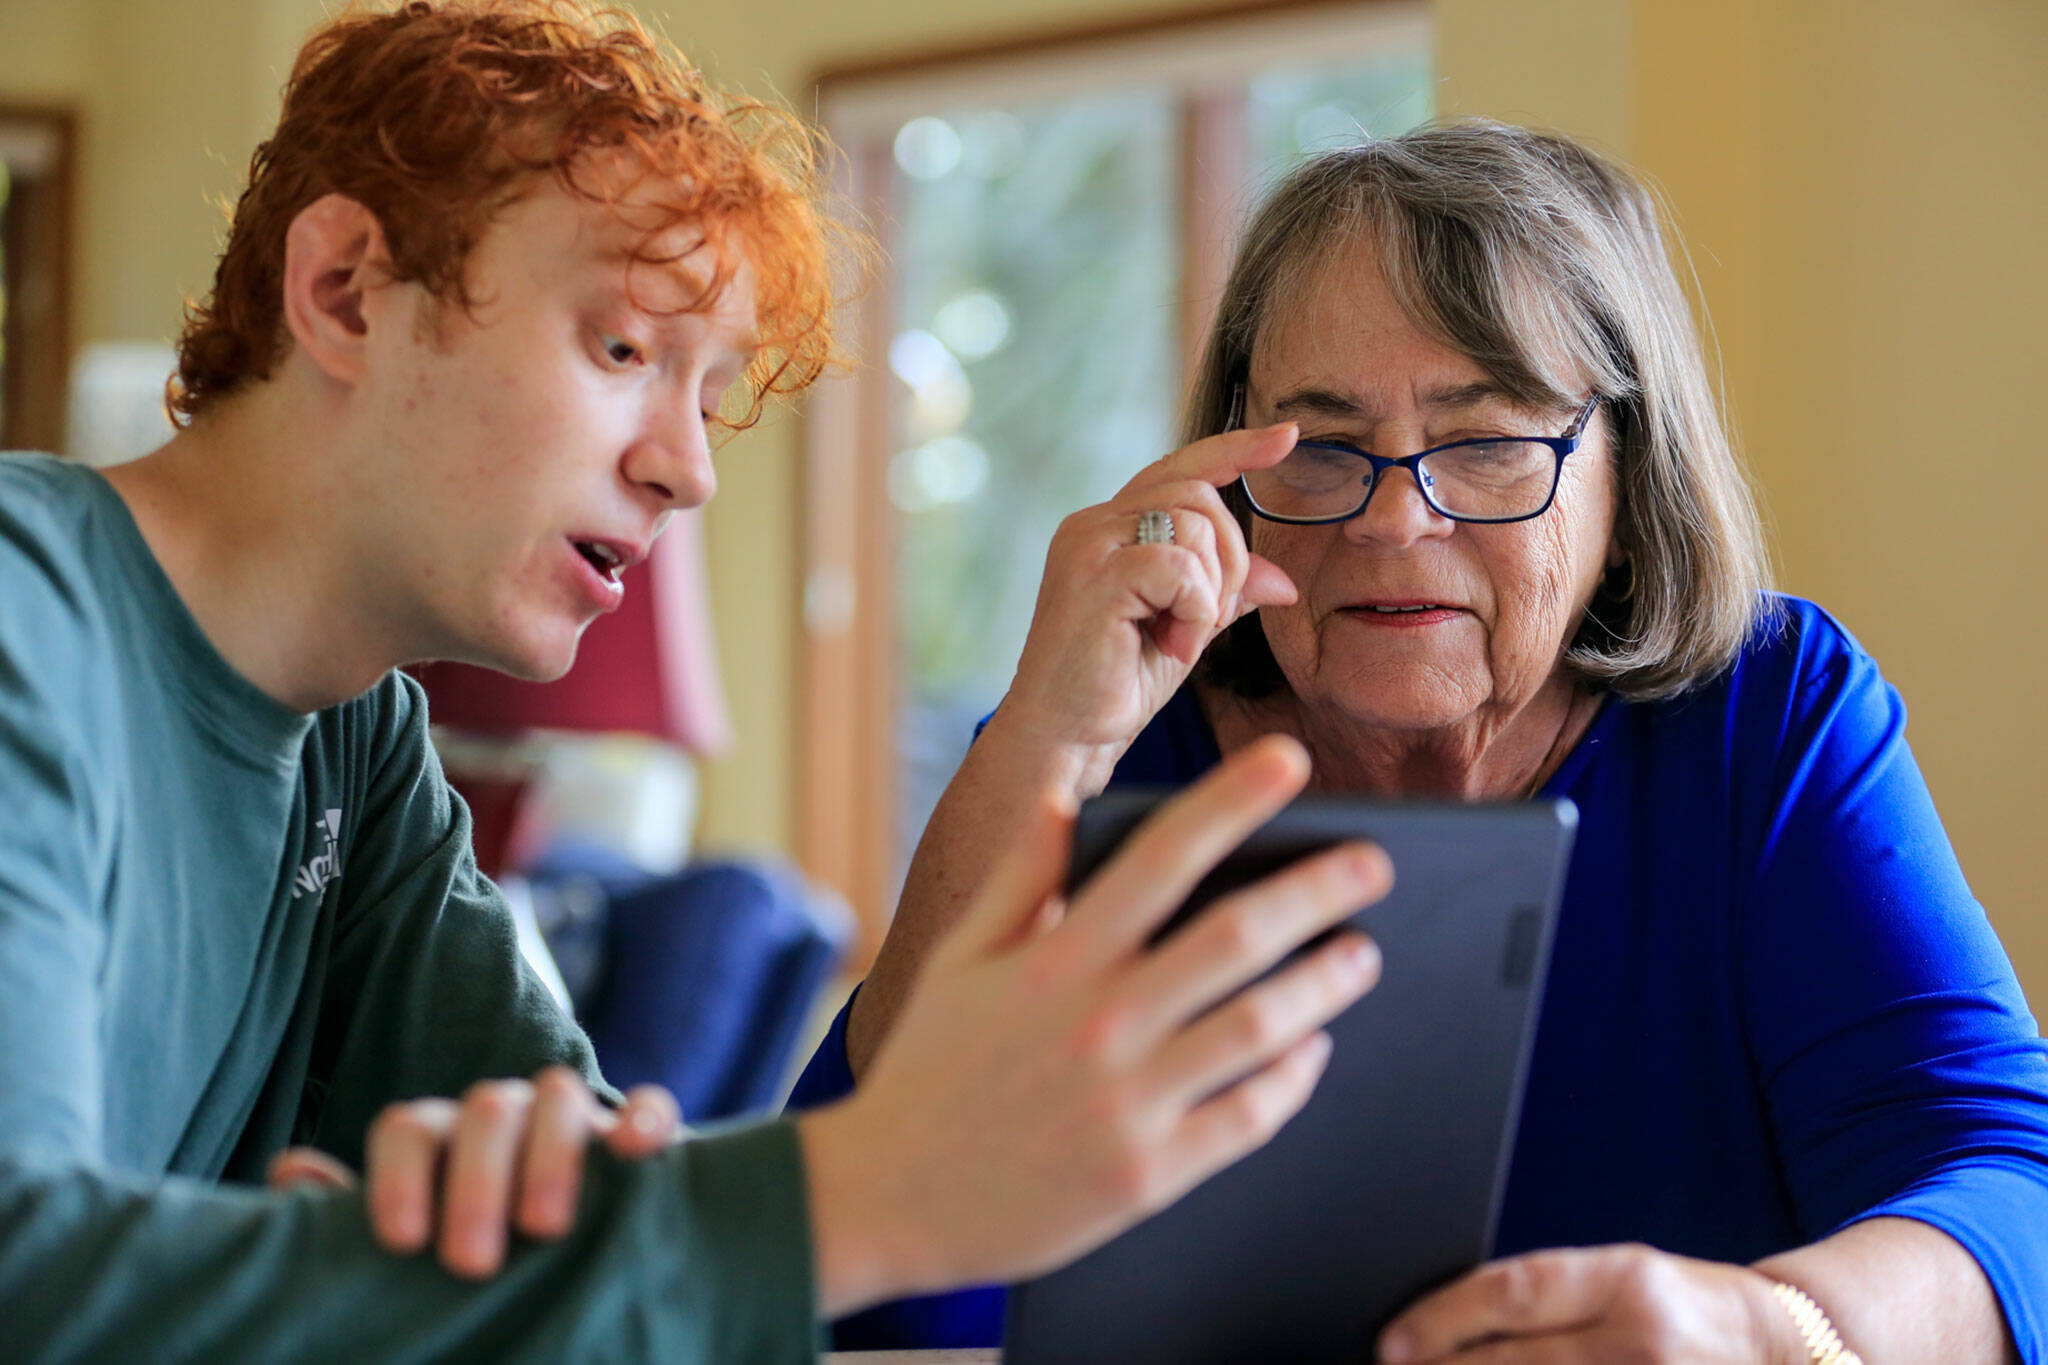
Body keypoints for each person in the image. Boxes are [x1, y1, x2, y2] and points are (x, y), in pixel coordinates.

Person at [0, 3, 1398, 1358]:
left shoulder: (357, 744)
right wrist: (859, 1193)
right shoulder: (25, 615)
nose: (690, 467)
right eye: (622, 350)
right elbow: (31, 1281)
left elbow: (604, 1222)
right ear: (345, 292)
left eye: (709, 393)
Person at [792, 122, 2048, 1362]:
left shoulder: (1766, 714)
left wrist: (1774, 1332)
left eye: (1490, 443)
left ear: (1630, 474)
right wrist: (1042, 742)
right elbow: (852, 1273)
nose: (1393, 520)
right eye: (1324, 445)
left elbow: (2003, 1188)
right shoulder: (1114, 735)